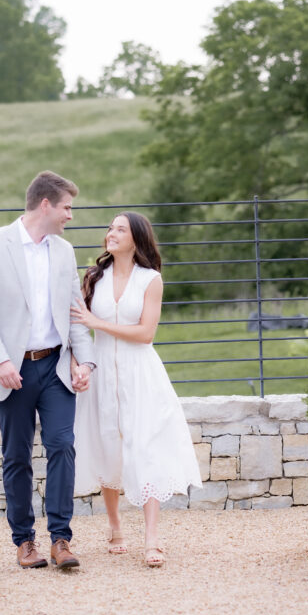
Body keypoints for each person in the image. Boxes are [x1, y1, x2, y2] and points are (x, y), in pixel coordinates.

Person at [0, 171, 96, 570]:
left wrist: (85, 361)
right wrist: (0, 361)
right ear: (45, 205)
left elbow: (75, 312)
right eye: (66, 207)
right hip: (12, 371)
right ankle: (24, 541)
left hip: (56, 367)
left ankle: (61, 540)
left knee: (62, 445)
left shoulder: (64, 251)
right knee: (17, 456)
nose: (70, 215)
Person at [71, 212, 202, 567]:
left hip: (140, 373)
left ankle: (152, 538)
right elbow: (77, 328)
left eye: (120, 229)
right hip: (100, 372)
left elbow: (146, 333)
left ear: (136, 238)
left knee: (145, 448)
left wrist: (97, 323)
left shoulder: (150, 280)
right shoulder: (94, 277)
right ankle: (115, 526)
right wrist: (78, 365)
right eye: (110, 228)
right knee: (107, 444)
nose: (111, 233)